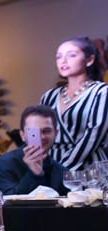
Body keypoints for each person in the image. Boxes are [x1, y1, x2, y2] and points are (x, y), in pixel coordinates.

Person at [39, 36, 107, 172]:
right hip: (50, 166)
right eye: (59, 57)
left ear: (89, 60)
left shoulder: (101, 92)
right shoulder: (49, 96)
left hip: (88, 169)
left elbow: (93, 136)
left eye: (72, 55)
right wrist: (36, 163)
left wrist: (61, 170)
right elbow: (36, 129)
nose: (63, 61)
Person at [0, 105, 68, 195]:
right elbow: (7, 204)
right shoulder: (3, 164)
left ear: (55, 134)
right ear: (22, 135)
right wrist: (33, 175)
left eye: (46, 131)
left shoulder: (61, 171)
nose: (41, 137)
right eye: (34, 132)